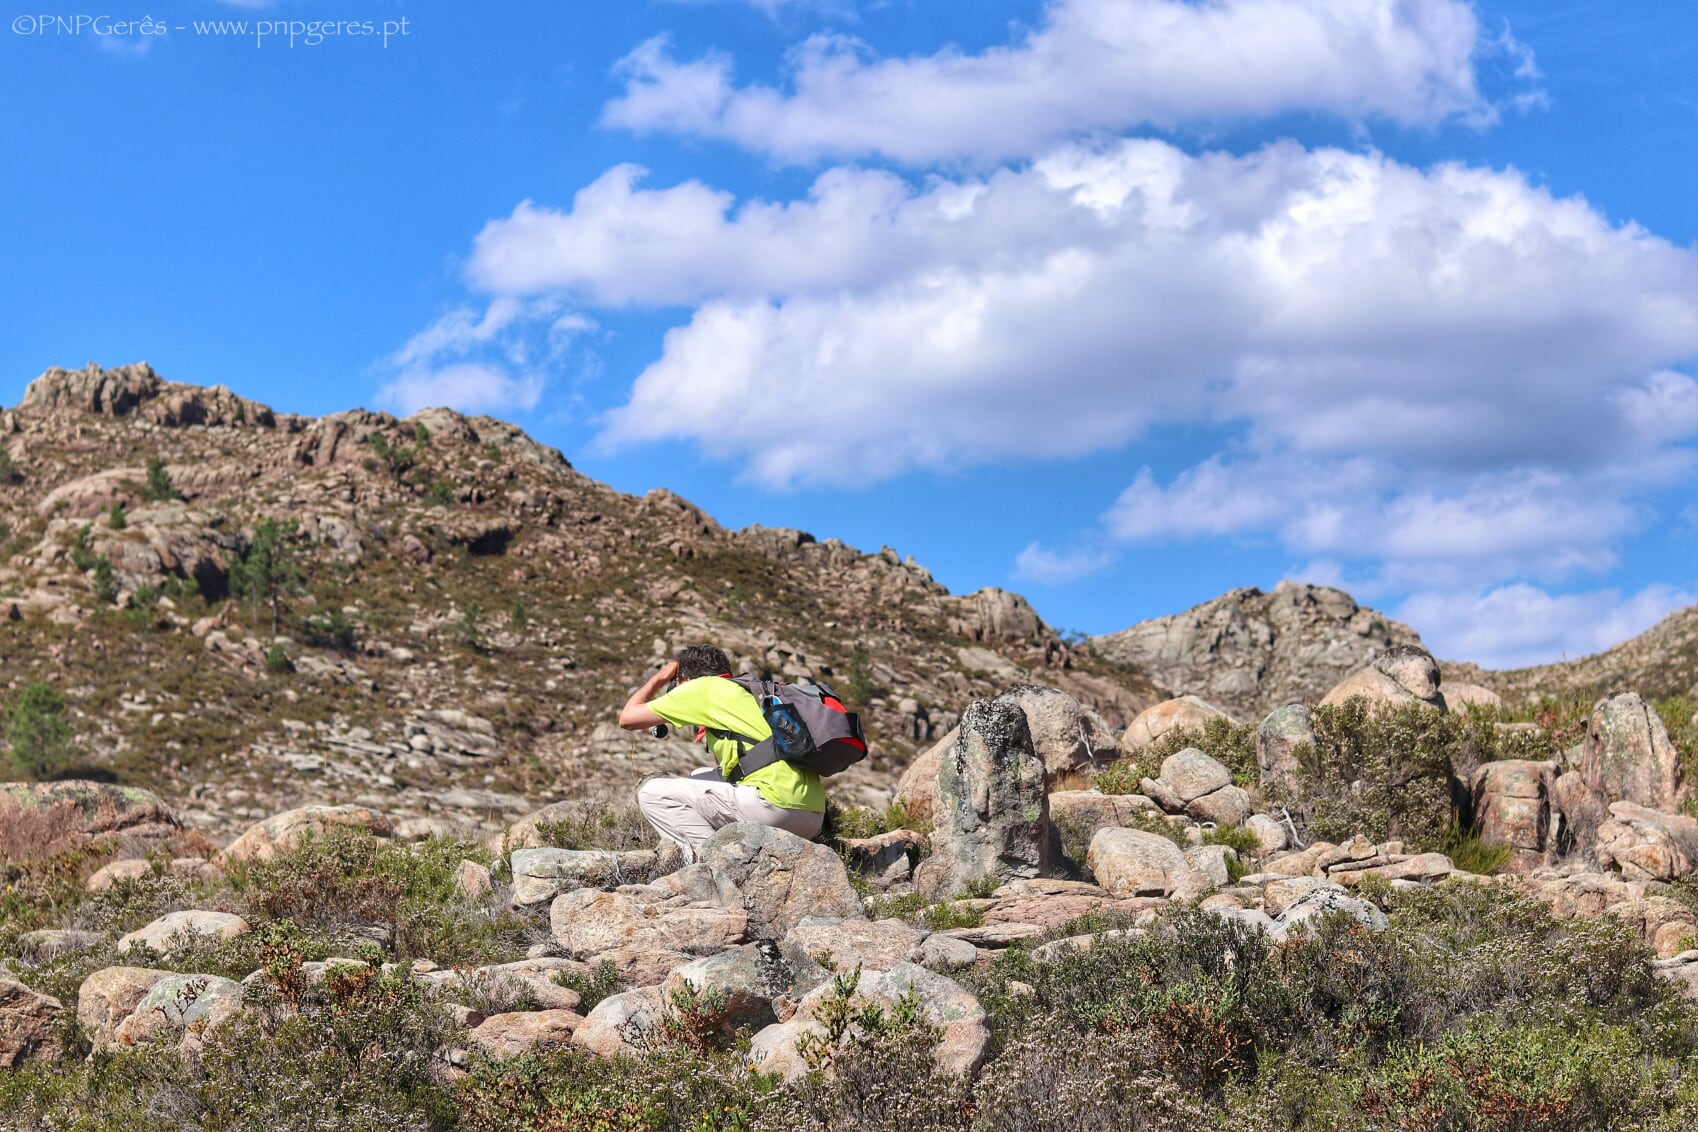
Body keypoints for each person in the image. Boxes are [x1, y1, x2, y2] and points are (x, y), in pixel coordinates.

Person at [618, 644, 825, 859]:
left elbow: (628, 719)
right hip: (812, 814)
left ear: (685, 679)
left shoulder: (701, 688)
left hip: (775, 809)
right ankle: (734, 852)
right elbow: (732, 768)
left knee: (652, 793)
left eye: (675, 682)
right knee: (699, 776)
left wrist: (660, 678)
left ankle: (707, 863)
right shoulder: (744, 690)